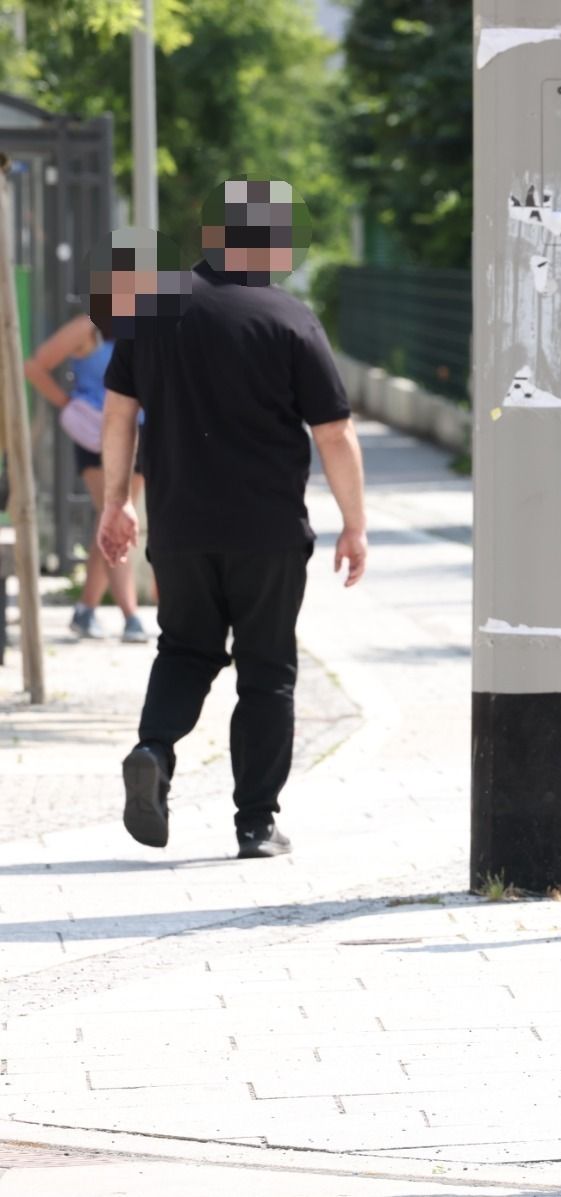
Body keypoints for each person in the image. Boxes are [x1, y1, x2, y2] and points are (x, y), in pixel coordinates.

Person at [96, 181, 368, 860]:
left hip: (180, 524)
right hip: (267, 530)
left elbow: (118, 412)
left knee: (185, 648)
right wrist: (354, 523)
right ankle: (254, 823)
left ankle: (153, 748)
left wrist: (116, 502)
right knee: (266, 668)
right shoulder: (289, 318)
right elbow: (333, 433)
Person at [24, 313, 148, 642]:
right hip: (97, 436)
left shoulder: (151, 324)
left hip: (141, 432)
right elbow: (34, 366)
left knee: (111, 521)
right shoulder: (87, 327)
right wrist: (70, 405)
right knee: (115, 516)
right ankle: (131, 615)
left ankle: (85, 609)